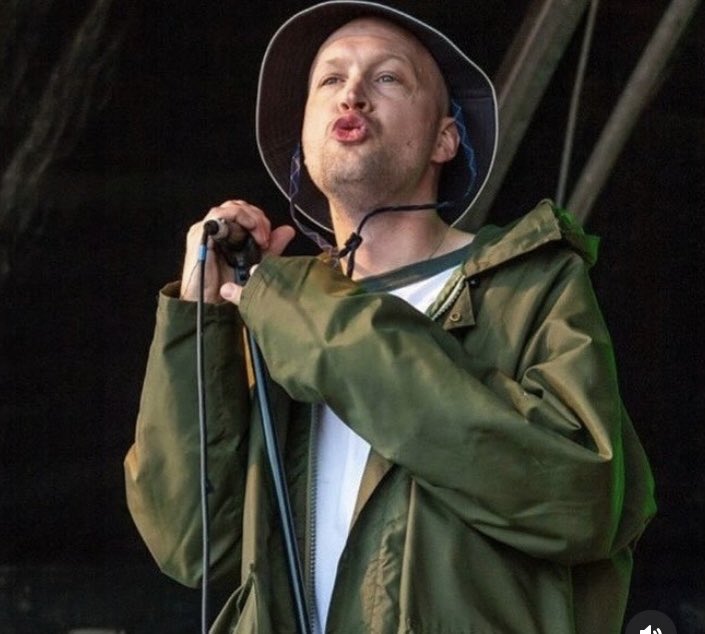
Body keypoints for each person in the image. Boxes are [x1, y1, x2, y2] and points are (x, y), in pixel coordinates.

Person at [124, 2, 656, 632]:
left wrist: (314, 318)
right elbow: (191, 545)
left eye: (387, 78)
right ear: (305, 136)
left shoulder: (530, 284)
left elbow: (578, 496)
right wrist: (198, 322)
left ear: (444, 139)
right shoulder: (277, 317)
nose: (352, 93)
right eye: (329, 80)